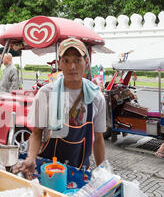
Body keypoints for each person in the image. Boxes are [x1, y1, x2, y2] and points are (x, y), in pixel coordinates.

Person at [13, 38, 106, 179]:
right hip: (48, 169)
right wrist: (31, 158)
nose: (72, 66)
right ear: (59, 63)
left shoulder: (96, 97)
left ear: (86, 62)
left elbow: (98, 139)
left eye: (77, 60)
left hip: (79, 172)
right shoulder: (46, 93)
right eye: (66, 61)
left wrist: (102, 172)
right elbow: (37, 133)